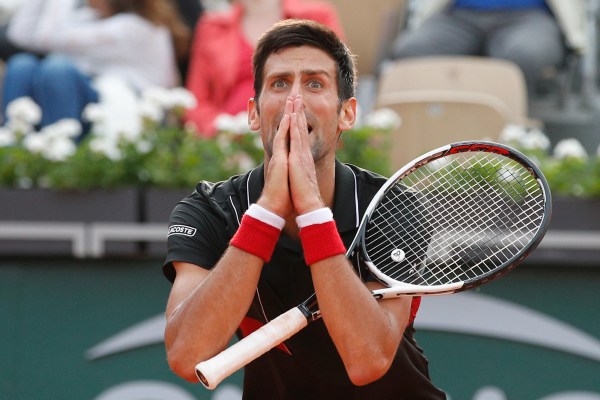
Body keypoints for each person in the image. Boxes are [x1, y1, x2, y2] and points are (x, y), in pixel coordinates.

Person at [163, 19, 446, 399]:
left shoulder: (391, 205)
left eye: (315, 84)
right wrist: (266, 213)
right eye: (279, 83)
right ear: (253, 113)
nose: (294, 100)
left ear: (347, 113)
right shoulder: (211, 210)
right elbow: (186, 356)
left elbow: (367, 361)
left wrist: (312, 211)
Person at [2, 0, 191, 140]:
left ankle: (60, 155)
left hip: (131, 115)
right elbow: (21, 34)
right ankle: (12, 150)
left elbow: (49, 37)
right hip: (103, 103)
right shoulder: (95, 19)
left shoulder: (133, 27)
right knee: (22, 65)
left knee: (58, 70)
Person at [184, 0, 344, 137]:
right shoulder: (212, 26)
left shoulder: (317, 18)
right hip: (231, 143)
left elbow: (337, 85)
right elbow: (196, 101)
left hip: (300, 133)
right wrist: (222, 131)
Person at [388, 0, 586, 98]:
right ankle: (425, 136)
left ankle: (506, 144)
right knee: (413, 52)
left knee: (521, 56)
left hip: (531, 16)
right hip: (459, 15)